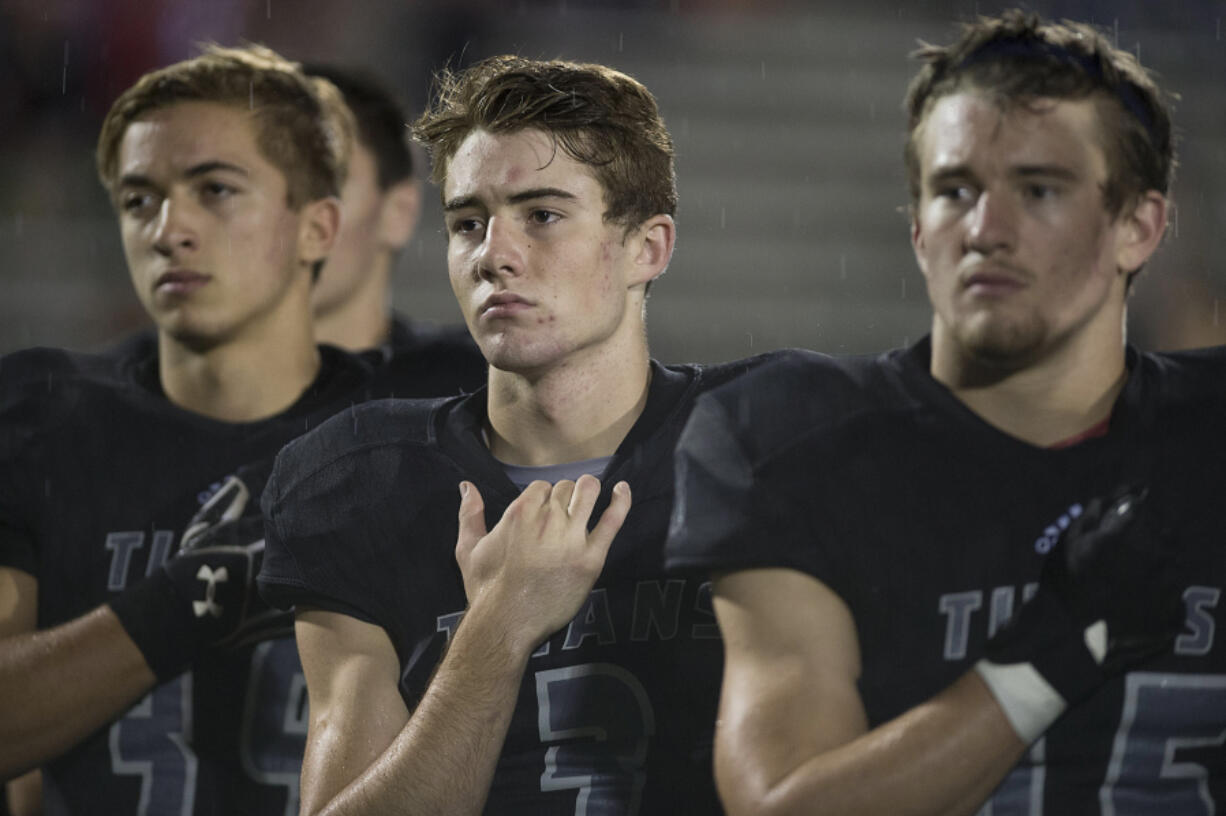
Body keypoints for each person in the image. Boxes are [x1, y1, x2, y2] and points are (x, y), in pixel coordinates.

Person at [666, 11, 1209, 815]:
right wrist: (1054, 648)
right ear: (920, 233)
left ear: (1138, 227)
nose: (988, 229)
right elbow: (783, 805)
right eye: (957, 191)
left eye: (1039, 190)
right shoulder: (791, 440)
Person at [259, 55, 748, 814]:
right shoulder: (361, 479)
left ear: (647, 249)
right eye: (467, 223)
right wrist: (499, 626)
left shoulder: (762, 442)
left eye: (542, 215)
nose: (493, 254)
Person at [0, 44, 368, 814]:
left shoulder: (397, 442)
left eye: (216, 190)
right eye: (140, 200)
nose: (170, 230)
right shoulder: (41, 416)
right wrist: (196, 596)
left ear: (317, 227)